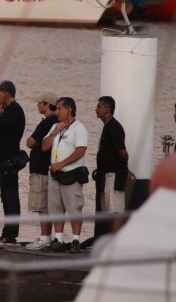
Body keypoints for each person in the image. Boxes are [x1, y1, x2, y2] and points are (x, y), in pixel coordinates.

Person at [41, 97, 89, 253]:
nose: (57, 112)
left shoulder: (79, 128)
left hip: (71, 173)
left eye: (60, 109)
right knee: (56, 207)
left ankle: (76, 240)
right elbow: (44, 146)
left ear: (69, 110)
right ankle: (59, 239)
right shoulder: (56, 126)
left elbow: (81, 151)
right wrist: (55, 132)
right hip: (55, 174)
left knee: (74, 207)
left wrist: (61, 164)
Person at [0, 80, 26, 247]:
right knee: (5, 197)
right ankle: (6, 232)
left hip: (9, 161)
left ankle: (11, 235)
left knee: (11, 197)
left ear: (5, 94)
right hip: (2, 161)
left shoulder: (13, 110)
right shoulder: (8, 110)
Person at [24, 92, 58, 250]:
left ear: (46, 104)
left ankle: (45, 238)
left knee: (42, 206)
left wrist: (34, 142)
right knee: (47, 205)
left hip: (41, 170)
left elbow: (30, 142)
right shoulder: (56, 121)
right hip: (49, 169)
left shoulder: (47, 123)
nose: (37, 105)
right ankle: (48, 237)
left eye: (39, 103)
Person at [94, 96, 129, 233]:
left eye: (99, 107)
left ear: (107, 110)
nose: (96, 109)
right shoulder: (107, 127)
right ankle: (111, 242)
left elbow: (122, 152)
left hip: (114, 175)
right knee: (108, 212)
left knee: (115, 211)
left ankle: (116, 243)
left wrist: (123, 166)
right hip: (105, 174)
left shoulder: (114, 127)